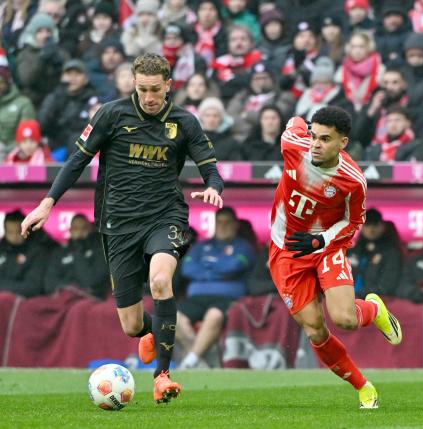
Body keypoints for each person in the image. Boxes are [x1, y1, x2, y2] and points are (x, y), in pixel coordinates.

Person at [20, 53, 224, 404]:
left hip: (165, 216)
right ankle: (150, 331)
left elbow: (212, 171)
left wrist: (213, 188)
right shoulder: (111, 114)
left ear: (168, 86)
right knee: (130, 325)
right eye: (142, 89)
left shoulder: (184, 122)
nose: (148, 97)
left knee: (161, 281)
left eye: (155, 90)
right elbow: (77, 161)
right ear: (133, 83)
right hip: (118, 225)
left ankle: (162, 376)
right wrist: (47, 203)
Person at [268, 106, 402, 409]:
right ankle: (363, 386)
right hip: (285, 251)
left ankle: (372, 309)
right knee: (315, 328)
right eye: (314, 136)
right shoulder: (293, 144)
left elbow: (354, 222)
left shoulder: (353, 180)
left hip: (324, 247)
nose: (315, 144)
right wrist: (297, 122)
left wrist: (321, 239)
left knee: (345, 319)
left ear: (343, 143)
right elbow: (293, 124)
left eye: (325, 139)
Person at [176, 207, 255, 369]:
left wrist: (206, 268)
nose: (223, 226)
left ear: (235, 225)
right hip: (196, 298)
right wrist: (218, 269)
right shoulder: (200, 246)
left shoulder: (244, 246)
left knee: (214, 315)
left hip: (227, 297)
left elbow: (233, 266)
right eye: (219, 222)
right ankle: (200, 361)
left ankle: (189, 362)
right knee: (172, 317)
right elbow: (187, 269)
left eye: (227, 222)